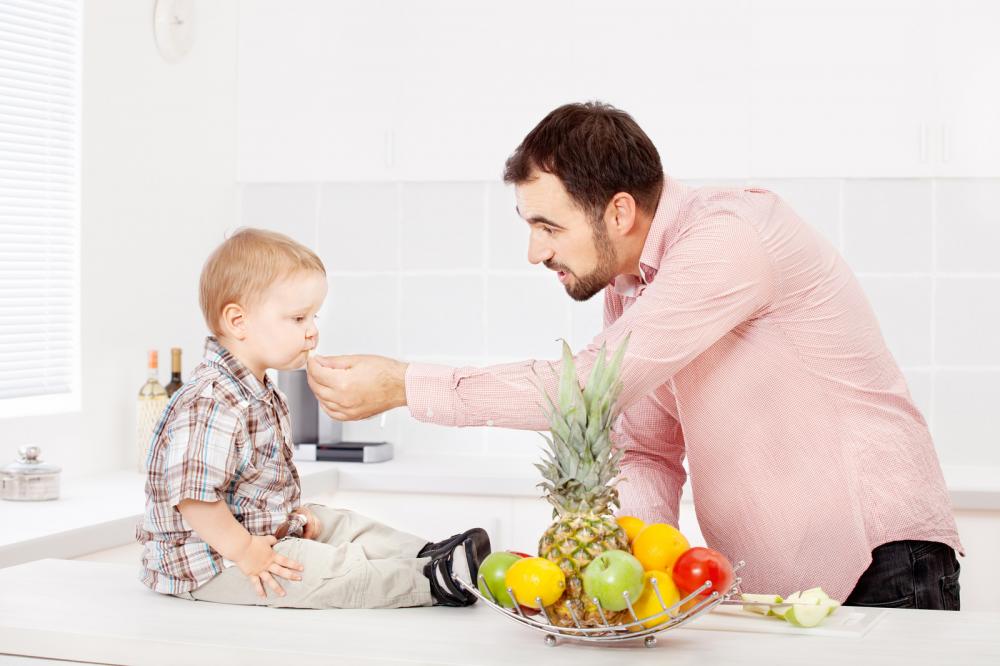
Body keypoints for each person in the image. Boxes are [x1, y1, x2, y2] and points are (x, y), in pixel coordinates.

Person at [306, 102, 963, 610]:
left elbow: (585, 388)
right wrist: (622, 580)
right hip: (769, 588)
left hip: (883, 562)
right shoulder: (630, 287)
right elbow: (647, 451)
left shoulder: (726, 237)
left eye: (547, 226)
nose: (534, 252)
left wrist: (403, 384)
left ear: (618, 212)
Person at [136, 227, 489, 608]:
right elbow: (194, 499)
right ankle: (428, 582)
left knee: (342, 524)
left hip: (258, 536)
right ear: (238, 321)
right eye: (299, 318)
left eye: (314, 317)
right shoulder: (211, 400)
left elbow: (251, 488)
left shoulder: (259, 392)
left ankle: (431, 555)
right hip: (213, 563)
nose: (313, 333)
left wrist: (288, 518)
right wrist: (246, 551)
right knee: (328, 573)